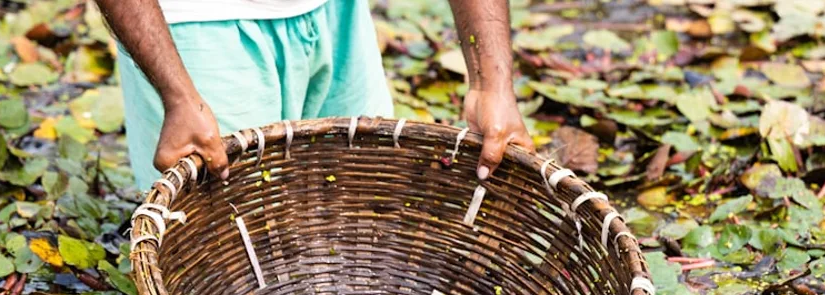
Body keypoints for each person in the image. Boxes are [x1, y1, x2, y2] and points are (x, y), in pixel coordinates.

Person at [97, 0, 534, 189]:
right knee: (223, 244)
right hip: (196, 20)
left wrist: (490, 82)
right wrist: (177, 95)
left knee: (361, 217)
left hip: (335, 14)